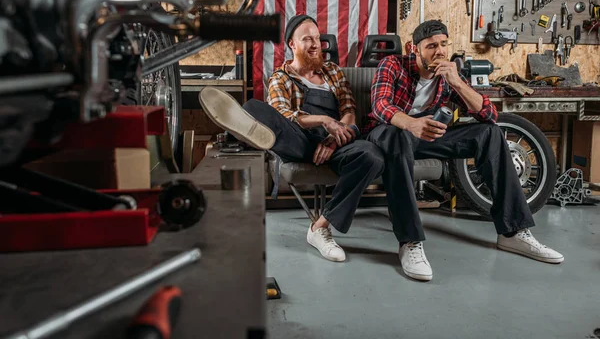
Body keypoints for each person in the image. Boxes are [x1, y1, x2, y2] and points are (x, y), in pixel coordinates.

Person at [365, 20, 564, 282]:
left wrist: (457, 82)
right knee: (399, 136)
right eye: (431, 46)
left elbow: (489, 114)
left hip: (424, 136)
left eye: (443, 45)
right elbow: (380, 106)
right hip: (386, 133)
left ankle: (513, 233)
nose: (439, 51)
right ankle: (410, 241)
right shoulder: (392, 64)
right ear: (414, 48)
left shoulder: (448, 74)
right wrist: (411, 124)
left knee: (489, 134)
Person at [199, 15, 385, 262]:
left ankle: (320, 227)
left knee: (372, 156)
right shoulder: (281, 78)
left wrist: (333, 138)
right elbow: (285, 114)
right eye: (307, 39)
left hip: (337, 144)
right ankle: (257, 132)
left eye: (317, 38)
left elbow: (349, 112)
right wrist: (322, 120)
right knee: (256, 107)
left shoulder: (333, 73)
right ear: (292, 45)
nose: (316, 44)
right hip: (302, 142)